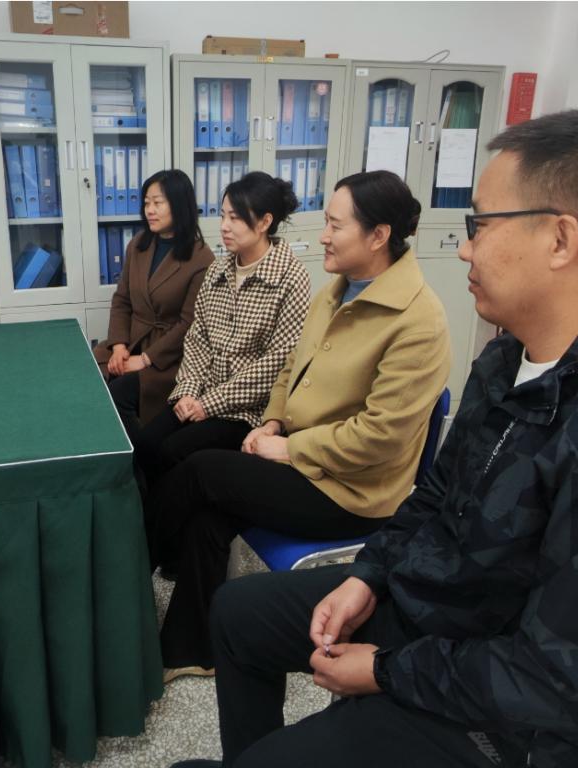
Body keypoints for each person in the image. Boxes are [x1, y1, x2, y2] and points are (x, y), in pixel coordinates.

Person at [172, 110, 578, 768]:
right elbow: (436, 494)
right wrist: (367, 577)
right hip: (433, 612)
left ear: (560, 239)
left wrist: (384, 671)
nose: (465, 249)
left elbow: (561, 684)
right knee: (238, 614)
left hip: (508, 723)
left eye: (481, 225)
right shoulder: (509, 357)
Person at [152, 170, 451, 681]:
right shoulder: (337, 292)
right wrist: (272, 422)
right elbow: (292, 368)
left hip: (347, 491)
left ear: (378, 236)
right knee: (206, 512)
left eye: (335, 225)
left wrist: (290, 449)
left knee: (200, 470)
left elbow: (380, 437)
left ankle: (122, 579)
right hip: (304, 459)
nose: (323, 236)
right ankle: (189, 648)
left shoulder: (418, 321)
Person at [132, 171, 311, 496]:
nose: (224, 226)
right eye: (223, 215)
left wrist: (208, 404)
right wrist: (188, 392)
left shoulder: (291, 277)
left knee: (173, 452)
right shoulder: (218, 269)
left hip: (245, 410)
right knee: (144, 443)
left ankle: (165, 520)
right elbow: (197, 337)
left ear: (265, 222)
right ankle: (153, 515)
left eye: (235, 218)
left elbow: (276, 364)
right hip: (199, 393)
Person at [93, 170, 215, 438]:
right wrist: (119, 346)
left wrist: (146, 359)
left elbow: (188, 324)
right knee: (90, 378)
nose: (150, 210)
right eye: (147, 202)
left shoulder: (201, 258)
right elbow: (122, 299)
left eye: (158, 203)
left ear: (179, 205)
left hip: (170, 357)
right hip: (132, 341)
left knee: (119, 394)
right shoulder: (138, 244)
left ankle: (139, 459)